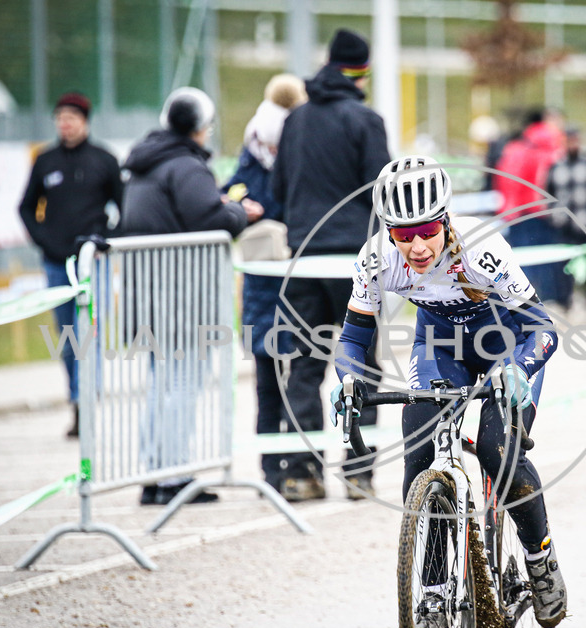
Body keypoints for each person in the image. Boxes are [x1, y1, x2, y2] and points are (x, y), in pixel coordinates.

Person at [331, 155, 568, 628]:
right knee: (420, 449)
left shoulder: (482, 249)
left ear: (445, 221)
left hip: (507, 347)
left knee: (498, 448)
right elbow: (353, 339)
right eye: (403, 233)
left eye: (428, 230)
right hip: (439, 347)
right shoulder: (377, 258)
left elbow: (542, 328)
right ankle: (435, 590)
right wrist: (347, 380)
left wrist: (521, 370)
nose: (417, 246)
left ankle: (539, 558)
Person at [118, 87, 264, 505]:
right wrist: (241, 213)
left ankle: (155, 473)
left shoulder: (146, 163)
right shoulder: (186, 167)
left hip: (145, 291)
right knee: (181, 383)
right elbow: (210, 217)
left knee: (160, 384)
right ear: (200, 129)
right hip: (179, 295)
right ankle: (174, 476)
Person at [269, 28, 389, 502]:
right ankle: (358, 473)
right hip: (353, 261)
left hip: (302, 258)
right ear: (361, 72)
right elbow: (383, 195)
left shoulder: (294, 120)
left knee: (303, 366)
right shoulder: (366, 120)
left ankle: (302, 472)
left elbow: (278, 192)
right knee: (359, 363)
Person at [18, 92, 123, 437]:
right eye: (60, 118)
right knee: (67, 339)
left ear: (85, 121)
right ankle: (77, 401)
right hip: (56, 262)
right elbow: (26, 207)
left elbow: (124, 206)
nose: (65, 124)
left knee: (89, 334)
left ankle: (88, 404)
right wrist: (44, 239)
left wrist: (105, 238)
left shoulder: (104, 160)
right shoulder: (45, 161)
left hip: (93, 263)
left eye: (71, 118)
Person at [222, 73, 307, 491]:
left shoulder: (255, 139)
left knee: (272, 379)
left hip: (266, 275)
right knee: (296, 377)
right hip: (286, 275)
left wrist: (242, 204)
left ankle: (274, 469)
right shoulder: (291, 139)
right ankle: (288, 464)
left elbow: (233, 189)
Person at [494, 108, 565, 305]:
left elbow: (506, 182)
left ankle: (526, 299)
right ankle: (548, 297)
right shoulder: (550, 144)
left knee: (522, 259)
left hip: (516, 212)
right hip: (540, 211)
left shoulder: (515, 148)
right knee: (546, 257)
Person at [545, 126, 586, 312]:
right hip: (564, 225)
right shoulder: (556, 165)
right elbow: (548, 194)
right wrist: (554, 216)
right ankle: (566, 300)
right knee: (564, 265)